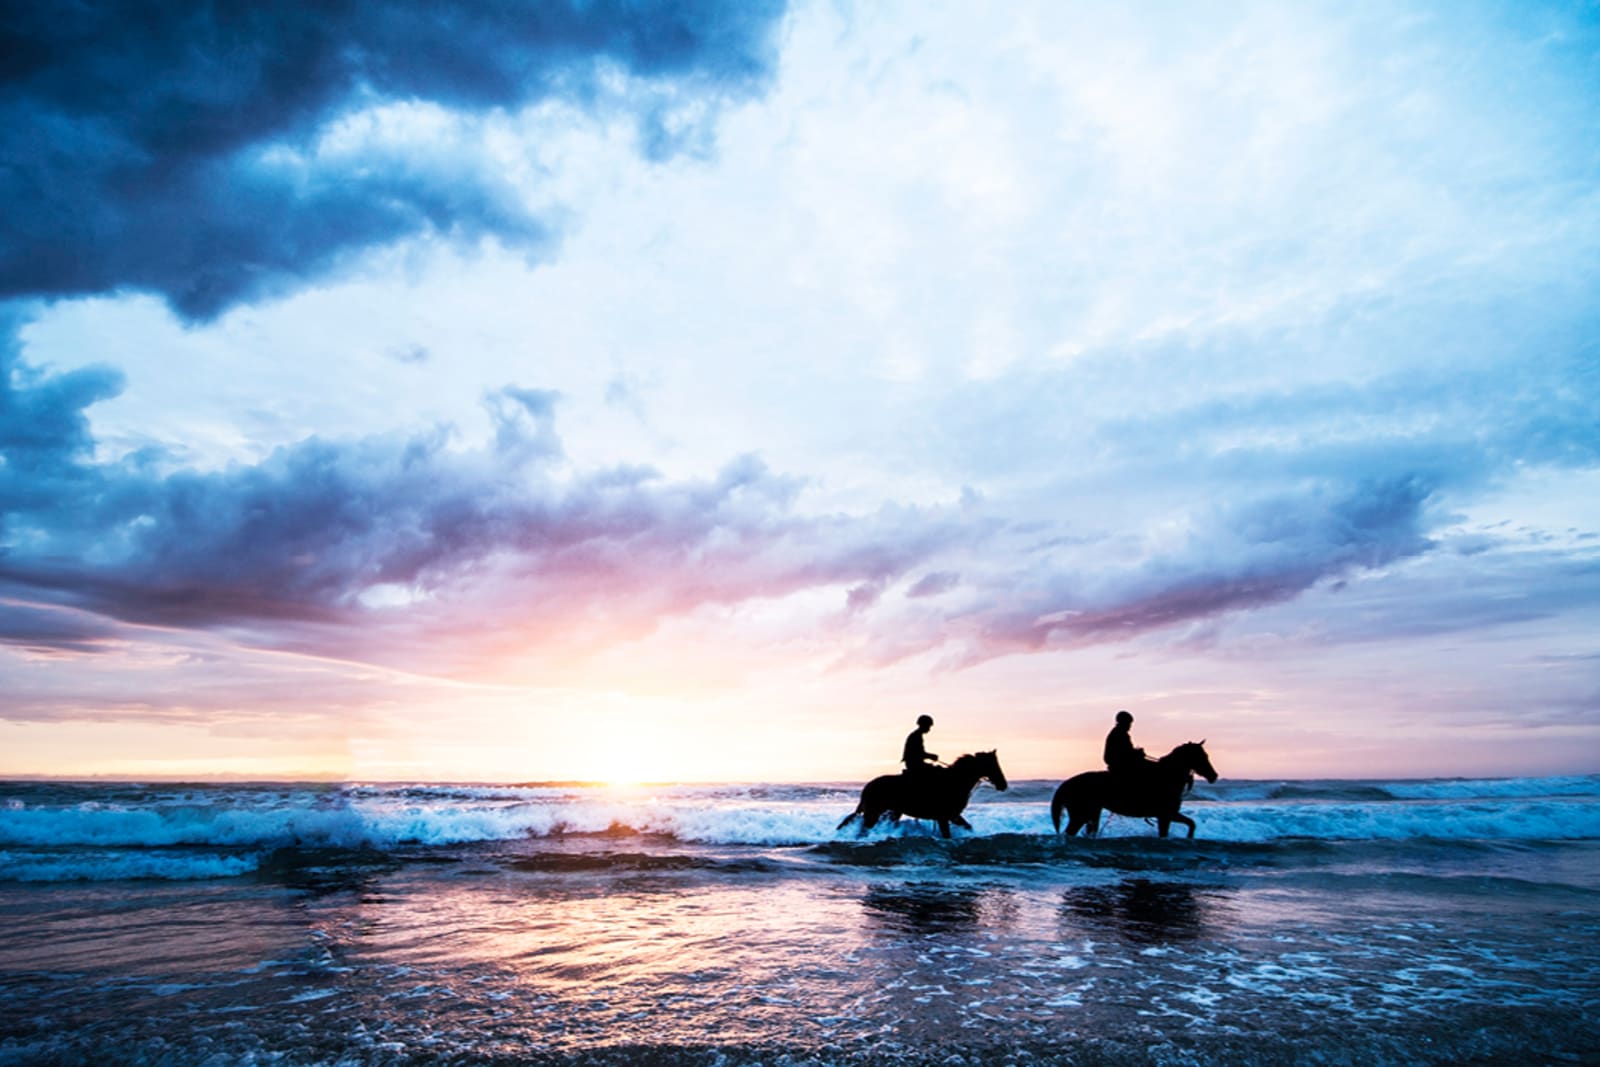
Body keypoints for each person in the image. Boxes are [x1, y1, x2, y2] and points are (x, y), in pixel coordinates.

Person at [1103, 710, 1147, 776]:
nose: (1130, 726)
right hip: (1120, 763)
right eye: (1129, 723)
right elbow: (1125, 752)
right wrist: (1138, 753)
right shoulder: (1120, 734)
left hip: (1119, 761)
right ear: (1124, 723)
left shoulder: (1118, 732)